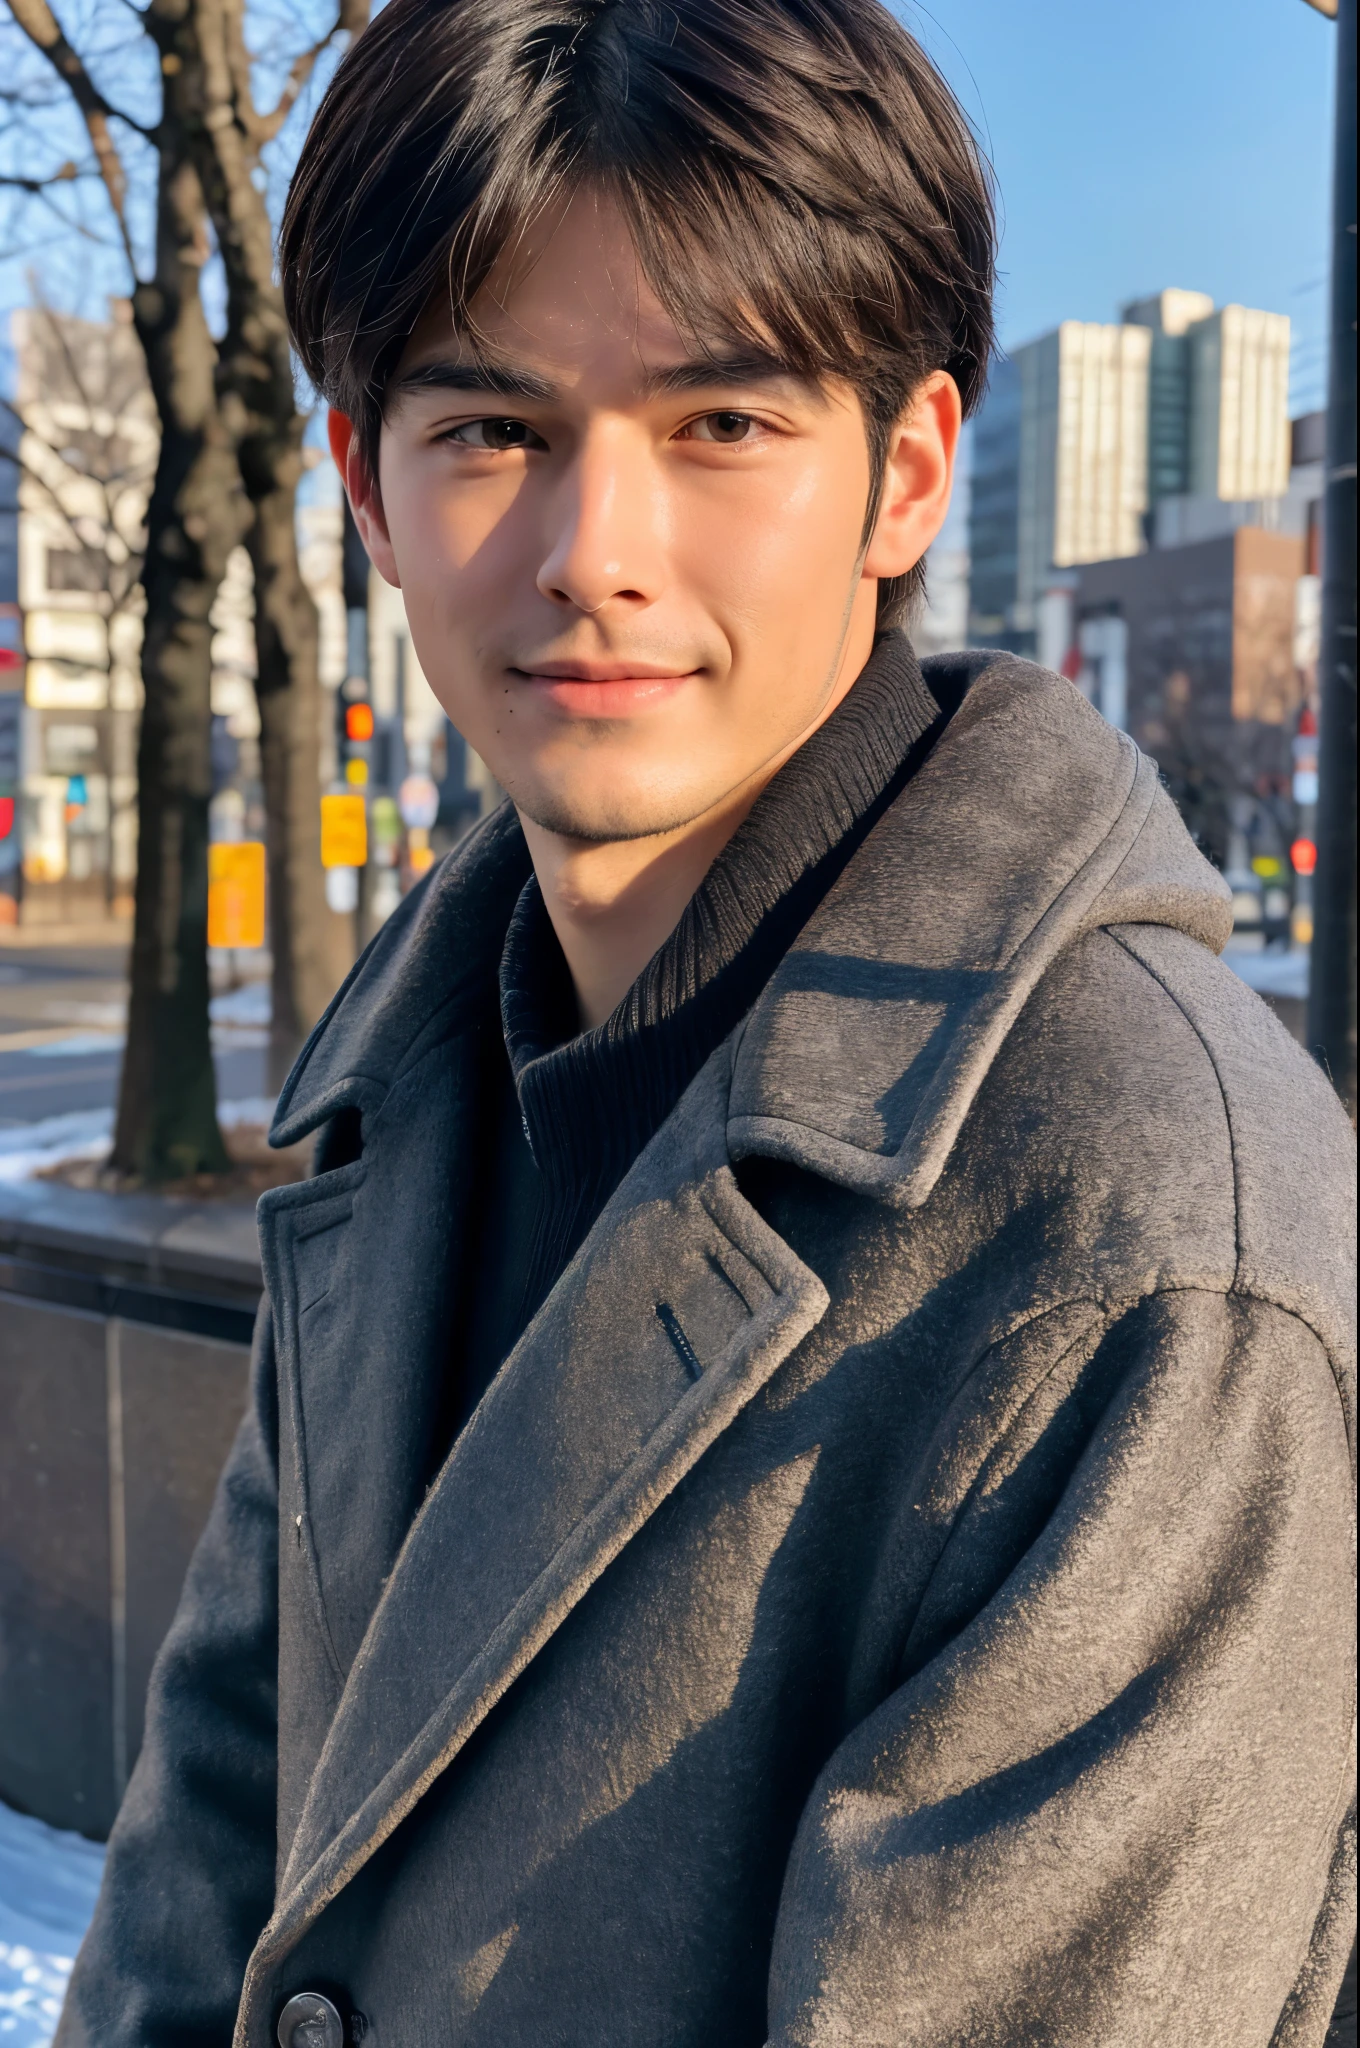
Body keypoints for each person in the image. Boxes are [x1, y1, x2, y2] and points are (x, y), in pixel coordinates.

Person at [58, 0, 1356, 2042]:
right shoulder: (406, 1080)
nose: (595, 557)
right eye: (489, 429)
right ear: (365, 492)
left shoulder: (1144, 1230)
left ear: (907, 472)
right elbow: (213, 1828)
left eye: (721, 427)